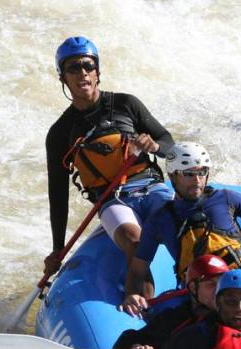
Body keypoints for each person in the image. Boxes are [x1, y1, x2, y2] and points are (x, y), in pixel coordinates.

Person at [44, 36, 175, 276]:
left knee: (183, 233)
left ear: (97, 72)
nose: (82, 72)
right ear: (63, 78)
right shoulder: (60, 133)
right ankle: (142, 306)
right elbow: (58, 194)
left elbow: (169, 144)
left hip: (151, 187)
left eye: (88, 65)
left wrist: (154, 146)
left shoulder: (126, 104)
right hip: (113, 200)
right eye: (73, 68)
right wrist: (57, 249)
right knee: (136, 244)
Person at [120, 142, 241, 318]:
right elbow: (138, 270)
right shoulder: (159, 220)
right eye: (189, 174)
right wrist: (132, 295)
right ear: (173, 176)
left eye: (202, 172)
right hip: (202, 295)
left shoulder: (226, 198)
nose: (197, 180)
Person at [112, 254, 229, 349]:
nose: (219, 289)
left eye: (222, 283)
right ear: (193, 288)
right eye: (211, 284)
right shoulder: (174, 319)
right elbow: (123, 344)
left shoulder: (236, 313)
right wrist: (136, 348)